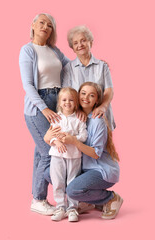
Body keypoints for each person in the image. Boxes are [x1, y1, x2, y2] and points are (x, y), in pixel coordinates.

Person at [44, 82, 123, 219]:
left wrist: (73, 141)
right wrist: (48, 137)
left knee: (72, 189)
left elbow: (96, 154)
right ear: (78, 96)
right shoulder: (74, 116)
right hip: (83, 165)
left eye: (91, 95)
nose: (86, 97)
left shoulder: (97, 121)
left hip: (100, 169)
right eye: (83, 93)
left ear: (96, 100)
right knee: (49, 173)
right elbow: (51, 135)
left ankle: (110, 198)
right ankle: (84, 201)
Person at [19, 13, 69, 216]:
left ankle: (38, 198)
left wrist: (95, 64)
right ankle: (42, 199)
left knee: (41, 152)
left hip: (57, 102)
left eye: (50, 25)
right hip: (37, 106)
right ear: (33, 24)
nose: (46, 27)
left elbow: (70, 66)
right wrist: (44, 108)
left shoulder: (54, 50)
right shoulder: (27, 50)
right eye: (42, 22)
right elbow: (28, 85)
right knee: (50, 150)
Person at [62, 25, 115, 130]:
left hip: (101, 115)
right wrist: (77, 110)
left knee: (103, 145)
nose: (80, 45)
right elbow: (66, 93)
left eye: (83, 40)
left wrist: (102, 107)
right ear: (72, 48)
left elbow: (109, 90)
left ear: (91, 42)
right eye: (75, 43)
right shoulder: (68, 68)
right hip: (79, 118)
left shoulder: (102, 66)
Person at [48, 87, 87, 222]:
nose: (67, 102)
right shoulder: (55, 118)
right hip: (57, 155)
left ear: (76, 103)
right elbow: (50, 136)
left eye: (71, 100)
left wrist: (72, 138)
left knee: (71, 182)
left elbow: (84, 135)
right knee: (57, 181)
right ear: (59, 102)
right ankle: (60, 207)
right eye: (64, 100)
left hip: (74, 156)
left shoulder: (79, 119)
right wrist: (56, 142)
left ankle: (72, 208)